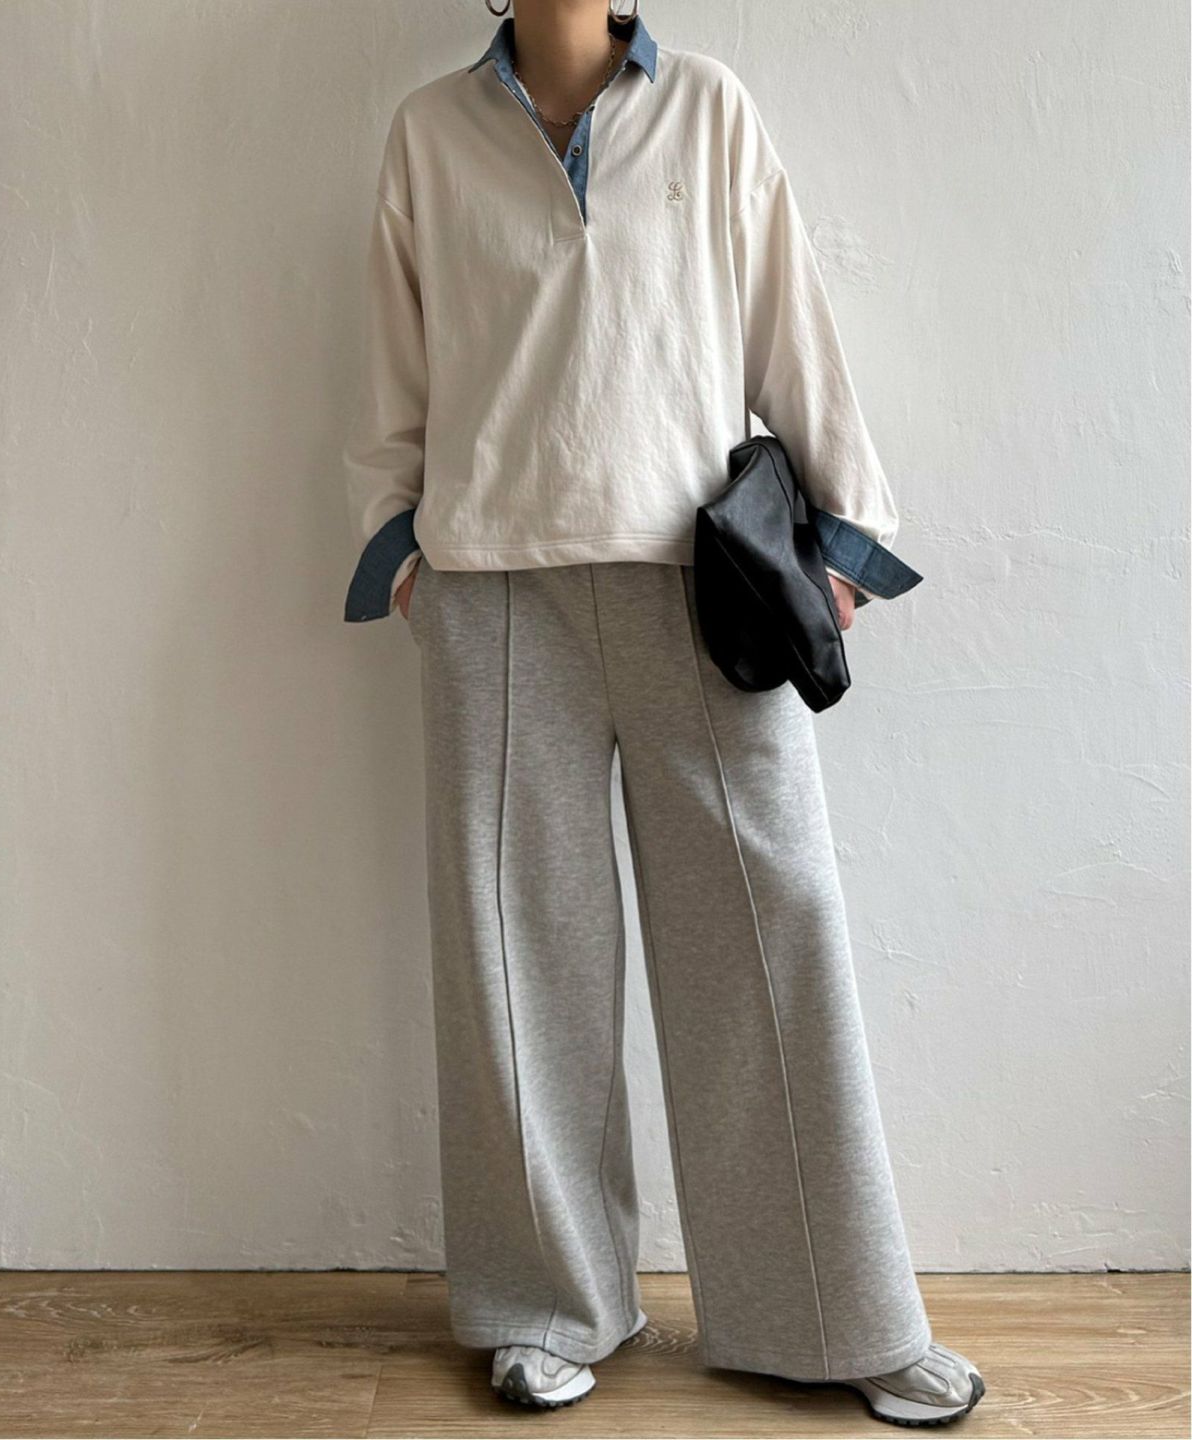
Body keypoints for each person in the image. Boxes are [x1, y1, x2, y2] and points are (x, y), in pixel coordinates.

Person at [341, 0, 985, 1427]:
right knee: (519, 968)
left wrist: (843, 536)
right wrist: (404, 553)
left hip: (705, 589)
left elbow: (788, 329)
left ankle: (835, 1313)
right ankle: (546, 1303)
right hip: (494, 592)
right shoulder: (428, 135)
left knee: (773, 934)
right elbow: (395, 374)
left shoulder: (709, 108)